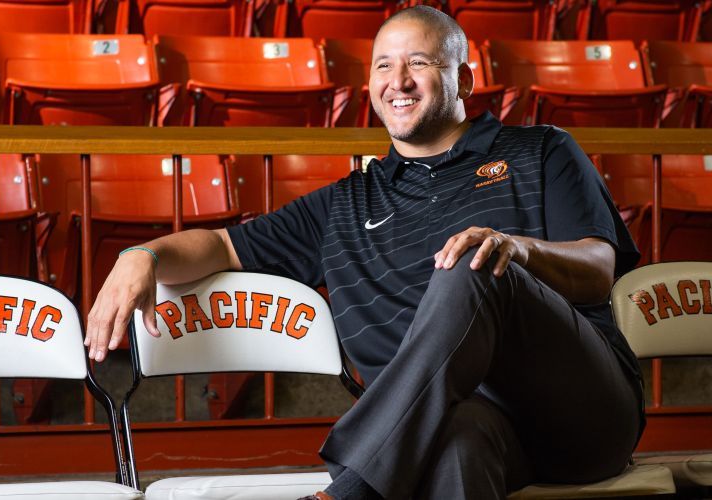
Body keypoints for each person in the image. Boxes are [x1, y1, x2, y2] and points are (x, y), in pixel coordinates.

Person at [85, 6, 645, 500]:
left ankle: (351, 490)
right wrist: (144, 256)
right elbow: (220, 246)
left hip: (582, 414)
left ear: (465, 80)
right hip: (463, 424)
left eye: (420, 62)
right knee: (457, 445)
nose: (398, 80)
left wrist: (516, 250)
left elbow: (599, 271)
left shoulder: (540, 150)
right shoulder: (343, 206)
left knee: (473, 263)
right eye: (383, 65)